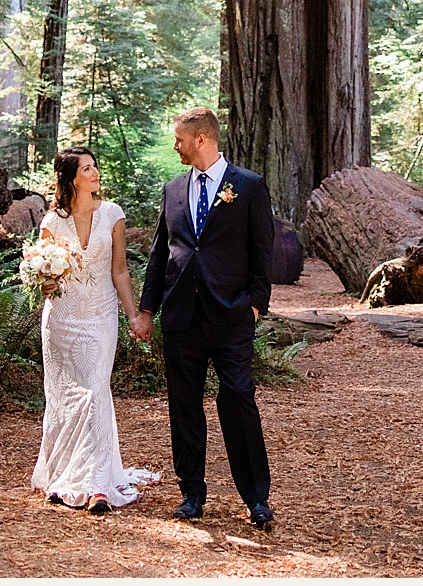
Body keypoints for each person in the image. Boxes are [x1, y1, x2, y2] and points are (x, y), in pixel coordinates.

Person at [133, 106, 275, 529]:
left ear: (201, 139)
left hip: (231, 315)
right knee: (184, 406)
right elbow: (161, 254)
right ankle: (192, 493)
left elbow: (262, 251)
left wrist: (253, 303)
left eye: (179, 139)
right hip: (181, 316)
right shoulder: (173, 189)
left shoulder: (248, 186)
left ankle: (256, 498)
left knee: (237, 399)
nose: (175, 146)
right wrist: (147, 310)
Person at [29, 147, 158, 513]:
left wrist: (133, 315)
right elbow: (44, 275)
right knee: (66, 397)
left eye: (95, 166)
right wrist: (45, 283)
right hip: (62, 318)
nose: (95, 172)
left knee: (96, 390)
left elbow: (119, 270)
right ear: (72, 179)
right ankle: (64, 475)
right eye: (87, 168)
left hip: (100, 314)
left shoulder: (113, 215)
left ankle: (99, 484)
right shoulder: (52, 221)